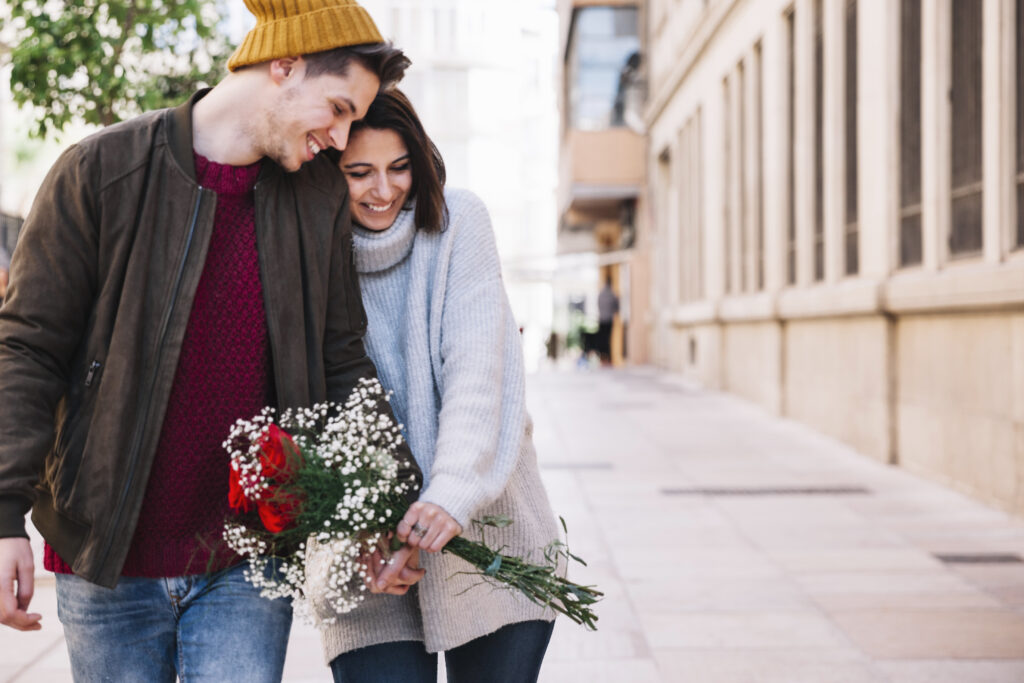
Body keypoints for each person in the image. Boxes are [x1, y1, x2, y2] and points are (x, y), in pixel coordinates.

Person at [0, 1, 422, 680]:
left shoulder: (313, 198)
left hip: (246, 562)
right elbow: (27, 348)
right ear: (283, 65)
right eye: (338, 108)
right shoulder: (100, 170)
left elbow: (343, 357)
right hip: (107, 559)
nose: (343, 140)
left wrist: (384, 505)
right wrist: (3, 517)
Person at [310, 89, 561, 683]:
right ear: (327, 175)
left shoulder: (458, 223)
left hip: (486, 538)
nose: (383, 190)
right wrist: (362, 538)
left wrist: (447, 495)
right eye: (359, 172)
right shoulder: (306, 256)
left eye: (399, 167)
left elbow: (478, 374)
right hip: (366, 563)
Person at [596, 275, 619, 366]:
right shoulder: (612, 294)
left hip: (601, 319)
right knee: (608, 339)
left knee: (602, 339)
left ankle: (602, 357)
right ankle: (609, 358)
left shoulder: (601, 294)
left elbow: (598, 305)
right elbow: (616, 307)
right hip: (609, 319)